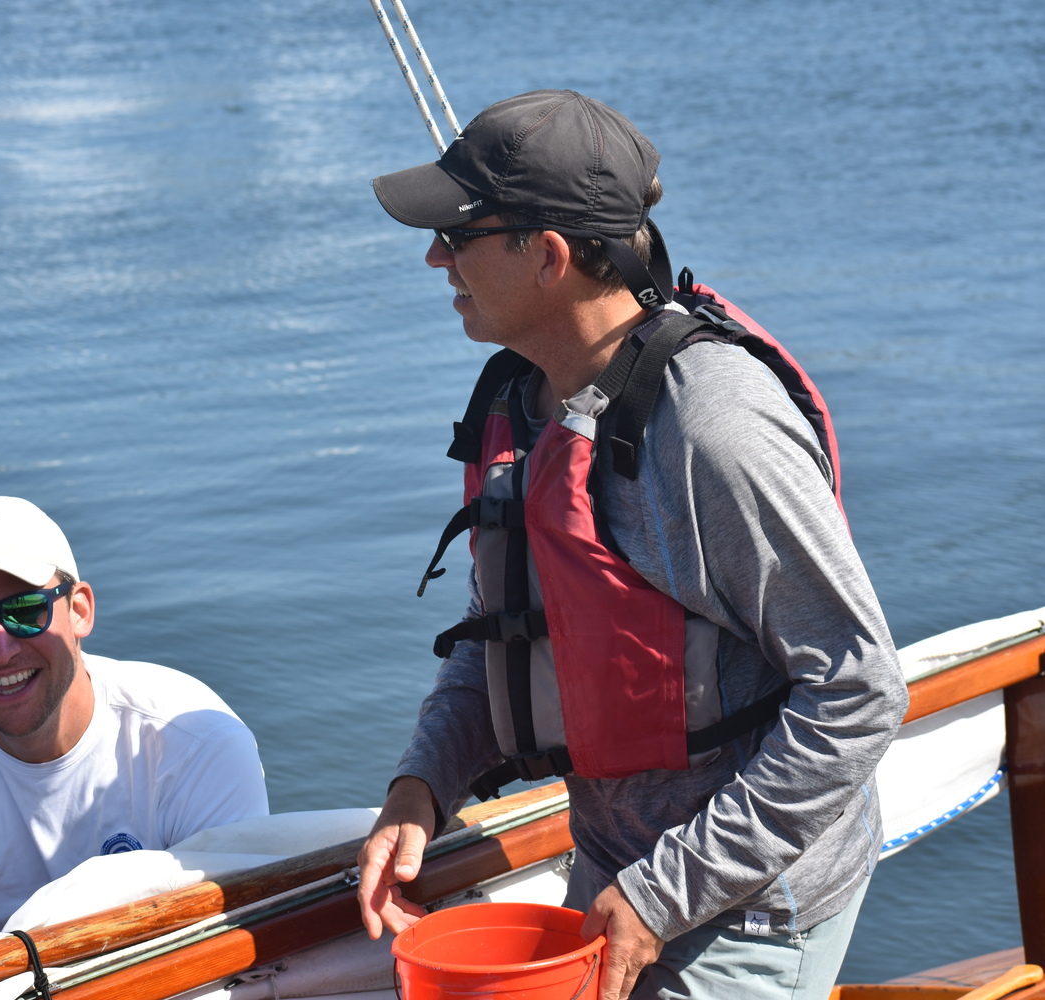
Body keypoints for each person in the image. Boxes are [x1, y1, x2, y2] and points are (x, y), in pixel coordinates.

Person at [355, 90, 908, 999]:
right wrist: (421, 786)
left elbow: (858, 690)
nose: (433, 255)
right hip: (613, 874)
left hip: (747, 907)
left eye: (458, 235)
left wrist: (662, 896)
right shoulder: (525, 400)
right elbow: (508, 634)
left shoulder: (714, 429)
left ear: (551, 256)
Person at [0, 495, 269, 952]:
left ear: (80, 610)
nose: (0, 650)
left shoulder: (196, 743)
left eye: (25, 611)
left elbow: (234, 959)